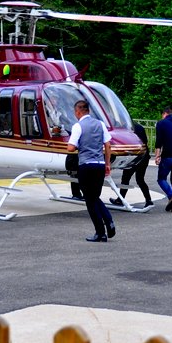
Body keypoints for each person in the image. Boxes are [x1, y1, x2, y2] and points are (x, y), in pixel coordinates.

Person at [66, 99, 116, 242]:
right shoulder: (100, 124)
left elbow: (71, 147)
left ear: (78, 111)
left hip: (86, 165)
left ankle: (100, 232)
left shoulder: (78, 126)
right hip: (100, 164)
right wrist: (107, 163)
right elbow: (108, 145)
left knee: (89, 199)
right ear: (88, 110)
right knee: (94, 196)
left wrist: (76, 145)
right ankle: (109, 221)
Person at [110, 121, 153, 208]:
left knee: (125, 179)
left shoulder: (127, 129)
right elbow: (145, 141)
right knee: (140, 180)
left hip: (133, 157)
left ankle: (120, 199)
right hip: (144, 156)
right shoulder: (139, 127)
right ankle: (148, 200)